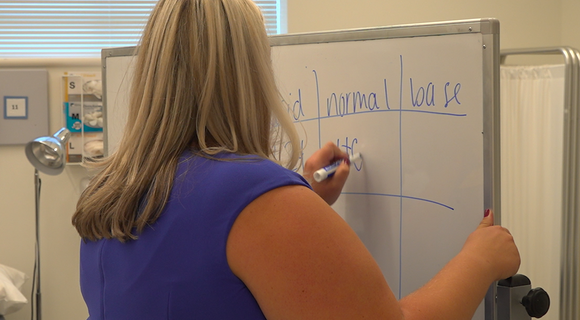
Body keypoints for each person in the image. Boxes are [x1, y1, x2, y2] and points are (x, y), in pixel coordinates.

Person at [73, 0, 520, 319]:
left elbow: (202, 267)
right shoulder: (259, 200)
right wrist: (479, 261)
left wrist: (299, 196)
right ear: (249, 73)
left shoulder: (113, 194)